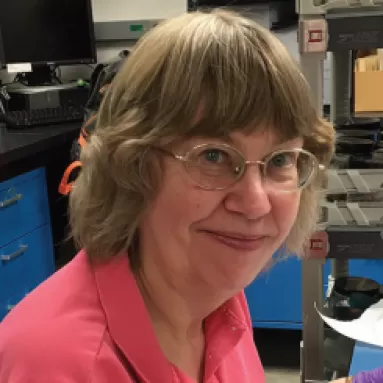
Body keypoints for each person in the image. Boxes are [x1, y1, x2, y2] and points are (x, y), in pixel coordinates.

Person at [0, 9, 335, 383]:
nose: (256, 203)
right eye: (214, 156)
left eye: (280, 160)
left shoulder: (216, 299)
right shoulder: (55, 365)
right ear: (131, 166)